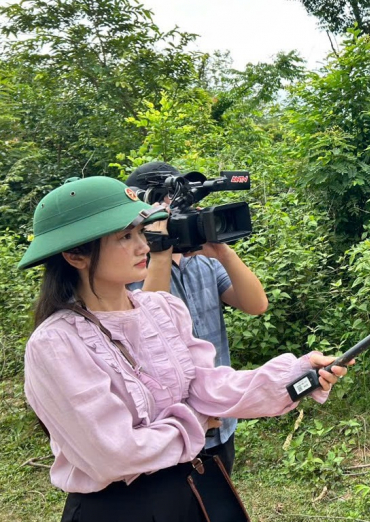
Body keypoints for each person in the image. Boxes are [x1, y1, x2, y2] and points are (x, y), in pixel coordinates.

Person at [18, 176, 348, 522]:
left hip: (189, 489)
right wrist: (195, 422)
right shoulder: (56, 344)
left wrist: (296, 373)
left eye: (140, 232)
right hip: (119, 509)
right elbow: (112, 452)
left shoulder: (161, 308)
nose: (143, 246)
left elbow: (205, 384)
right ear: (75, 254)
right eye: (124, 236)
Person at [125, 160, 267, 475]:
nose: (175, 209)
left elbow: (256, 304)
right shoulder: (129, 270)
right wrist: (160, 254)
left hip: (219, 418)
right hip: (168, 430)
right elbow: (146, 326)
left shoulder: (202, 261)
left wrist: (223, 252)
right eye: (166, 200)